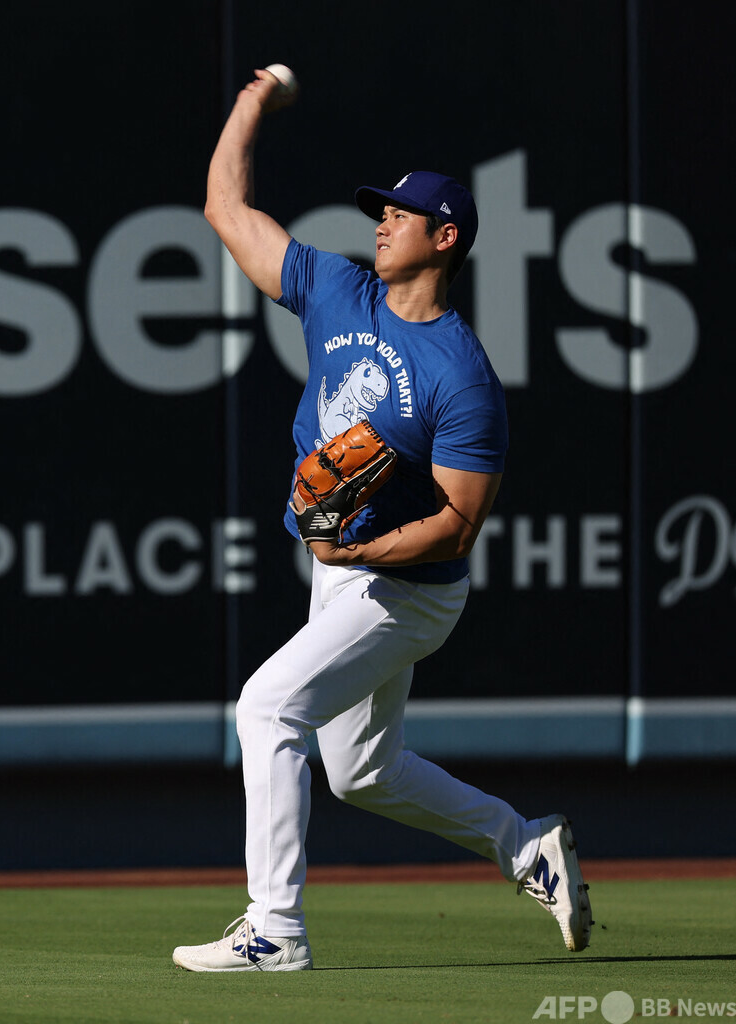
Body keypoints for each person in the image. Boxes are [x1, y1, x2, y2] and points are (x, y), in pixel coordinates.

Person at [172, 68, 592, 973]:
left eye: (401, 214)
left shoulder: (461, 376)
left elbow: (457, 524)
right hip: (345, 570)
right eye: (381, 210)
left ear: (445, 238)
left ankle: (275, 930)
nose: (381, 222)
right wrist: (251, 102)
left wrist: (357, 546)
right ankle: (525, 844)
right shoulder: (337, 289)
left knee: (267, 708)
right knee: (362, 771)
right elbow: (226, 210)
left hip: (408, 589)